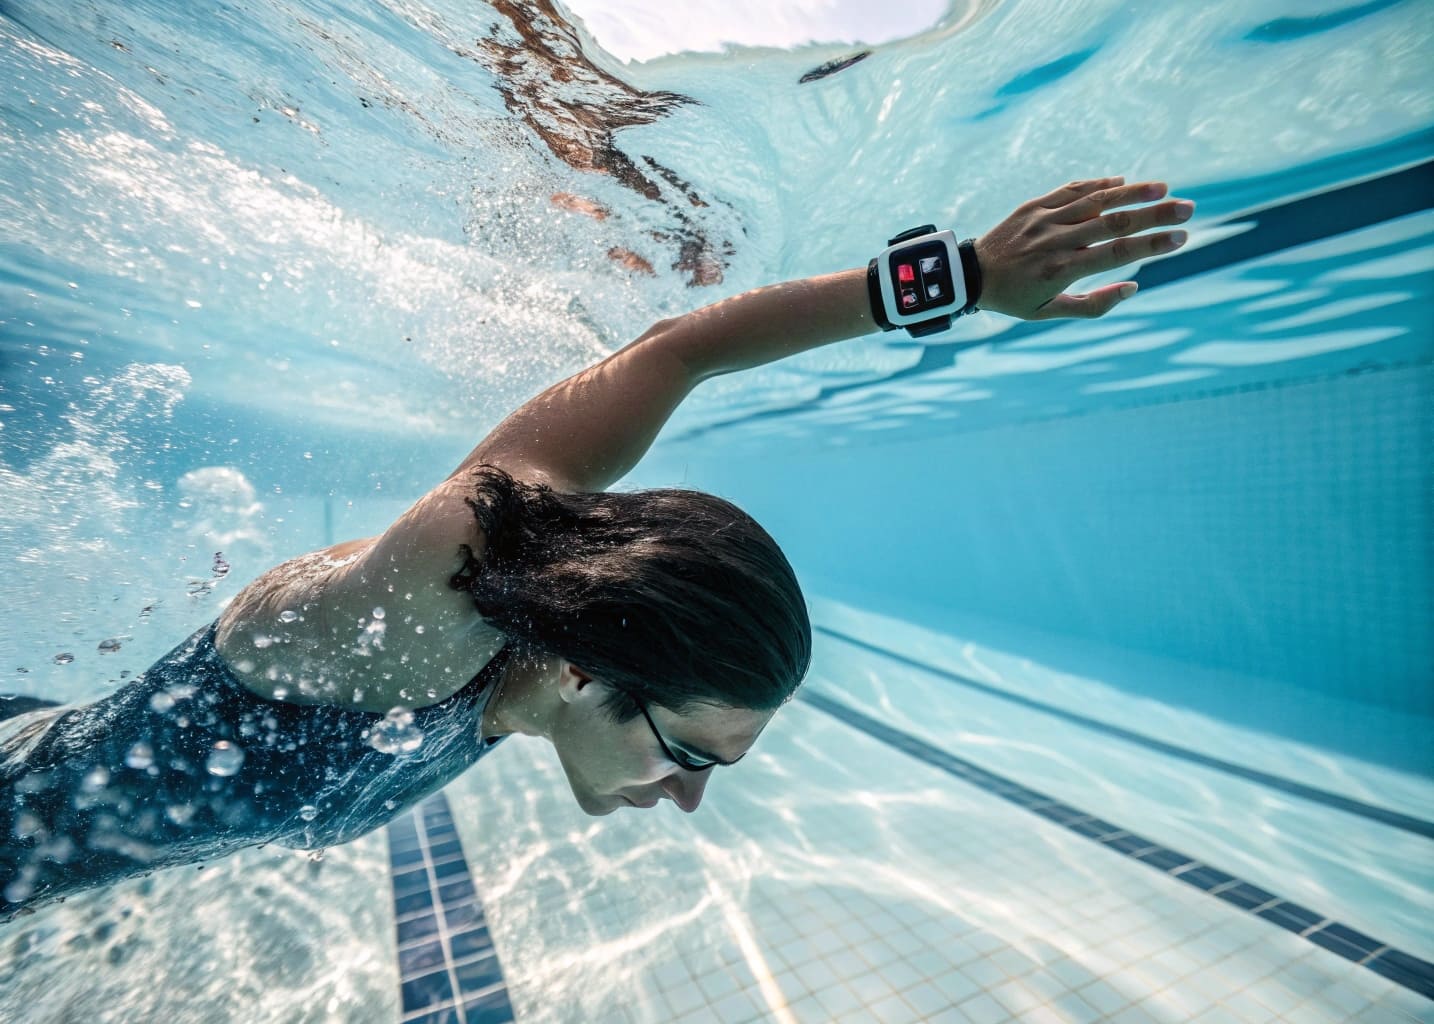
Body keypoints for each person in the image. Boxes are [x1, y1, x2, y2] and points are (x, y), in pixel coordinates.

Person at [0, 176, 1194, 919]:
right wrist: (956, 276)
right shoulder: (420, 621)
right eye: (690, 755)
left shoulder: (506, 661)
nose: (687, 800)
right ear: (585, 665)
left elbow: (676, 357)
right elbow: (674, 351)